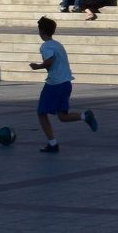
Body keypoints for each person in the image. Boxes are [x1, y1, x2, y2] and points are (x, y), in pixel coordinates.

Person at [29, 16, 96, 152]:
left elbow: (50, 61)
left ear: (41, 31)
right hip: (66, 83)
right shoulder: (58, 44)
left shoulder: (46, 46)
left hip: (55, 84)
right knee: (62, 116)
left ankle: (53, 144)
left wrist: (38, 66)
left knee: (41, 113)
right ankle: (85, 116)